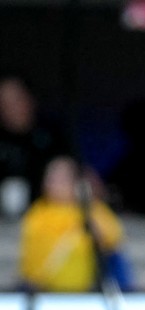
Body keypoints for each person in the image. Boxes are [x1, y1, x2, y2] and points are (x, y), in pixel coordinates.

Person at [18, 156, 124, 293]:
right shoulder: (38, 212)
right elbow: (34, 256)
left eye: (61, 179)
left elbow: (112, 240)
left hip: (86, 292)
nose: (53, 184)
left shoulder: (92, 210)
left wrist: (88, 202)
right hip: (45, 291)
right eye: (50, 179)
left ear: (76, 183)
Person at [0, 76, 69, 219]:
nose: (9, 108)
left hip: (48, 219)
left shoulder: (52, 136)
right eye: (3, 103)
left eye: (16, 100)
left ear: (31, 99)